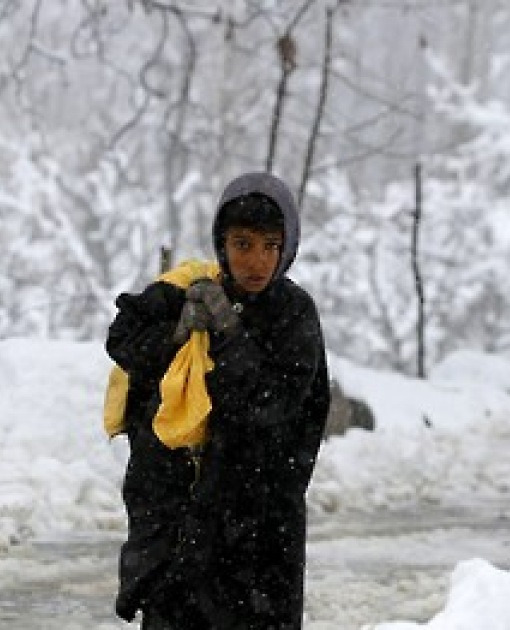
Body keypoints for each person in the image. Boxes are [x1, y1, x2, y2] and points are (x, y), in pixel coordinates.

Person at [106, 171, 331, 629]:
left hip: (259, 528)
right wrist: (177, 333)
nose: (257, 261)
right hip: (178, 522)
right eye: (243, 244)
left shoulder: (293, 315)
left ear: (287, 247)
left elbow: (270, 403)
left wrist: (229, 333)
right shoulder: (190, 289)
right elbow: (124, 340)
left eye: (270, 245)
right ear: (222, 243)